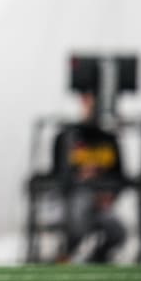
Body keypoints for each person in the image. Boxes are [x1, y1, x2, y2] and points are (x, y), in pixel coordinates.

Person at [50, 88, 128, 264]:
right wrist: (80, 176)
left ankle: (96, 260)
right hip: (71, 201)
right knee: (79, 213)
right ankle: (67, 257)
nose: (90, 107)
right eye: (86, 101)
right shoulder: (67, 137)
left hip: (100, 205)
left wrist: (109, 195)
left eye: (94, 102)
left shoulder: (109, 140)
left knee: (117, 232)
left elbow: (120, 176)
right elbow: (58, 176)